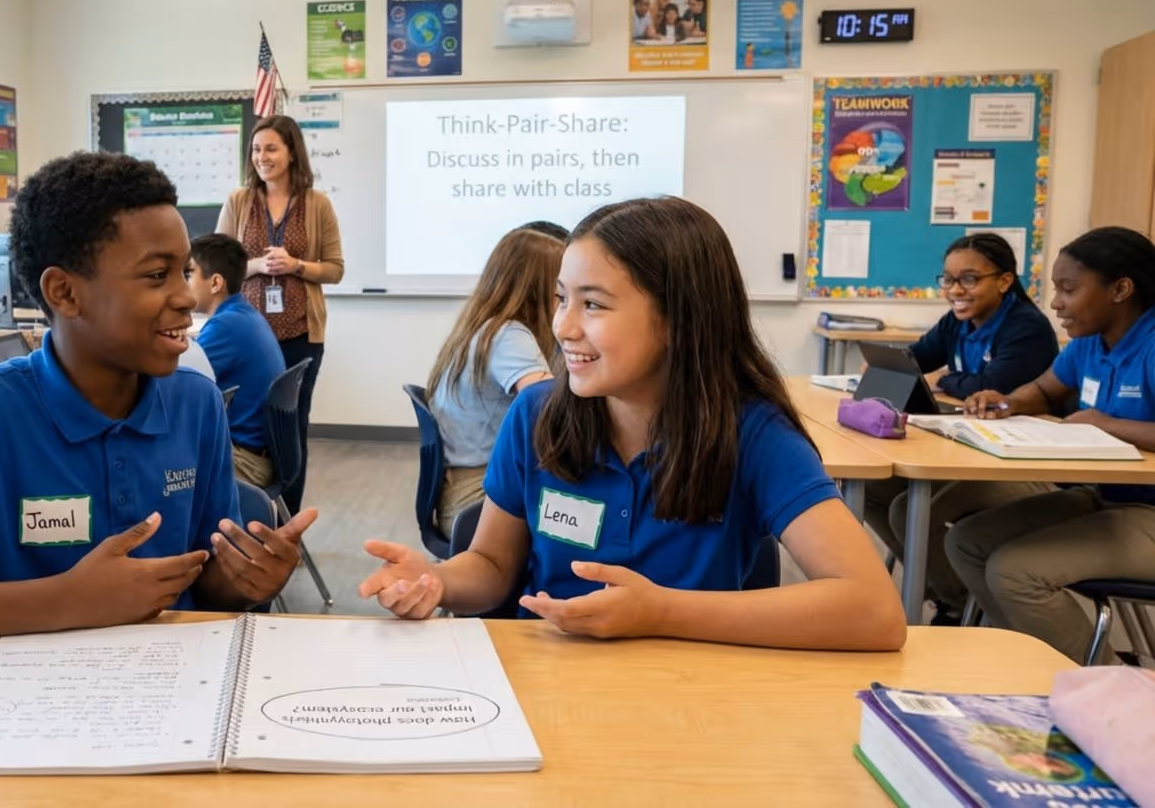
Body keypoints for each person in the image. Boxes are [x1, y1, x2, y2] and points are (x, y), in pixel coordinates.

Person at [0, 152, 318, 650]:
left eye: (184, 271)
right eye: (158, 276)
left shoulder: (195, 403)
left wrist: (243, 581)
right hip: (17, 703)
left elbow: (203, 584)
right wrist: (65, 600)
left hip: (169, 685)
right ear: (65, 294)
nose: (185, 296)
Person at [359, 198, 905, 651]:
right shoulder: (536, 416)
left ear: (678, 319)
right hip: (546, 685)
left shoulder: (753, 434)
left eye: (592, 305)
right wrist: (436, 579)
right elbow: (492, 566)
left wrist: (659, 612)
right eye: (560, 299)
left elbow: (875, 612)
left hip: (691, 697)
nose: (563, 327)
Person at [951, 227, 1155, 663]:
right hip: (1107, 498)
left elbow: (1103, 423)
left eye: (1069, 289)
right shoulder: (1087, 344)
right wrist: (1006, 401)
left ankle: (1115, 690)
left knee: (1015, 572)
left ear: (1120, 289)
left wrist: (1106, 424)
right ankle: (1034, 662)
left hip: (1148, 512)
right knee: (966, 542)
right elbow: (1044, 390)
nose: (1056, 303)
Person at [862, 232, 1059, 622]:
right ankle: (949, 592)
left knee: (910, 510)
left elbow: (993, 388)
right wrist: (935, 374)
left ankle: (958, 606)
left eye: (969, 279)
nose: (955, 289)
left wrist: (946, 378)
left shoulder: (1026, 328)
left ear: (1003, 281)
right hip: (974, 447)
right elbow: (914, 358)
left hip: (1026, 465)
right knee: (873, 488)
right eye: (948, 279)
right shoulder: (957, 321)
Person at [217, 115, 345, 516]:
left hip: (300, 335)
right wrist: (256, 265)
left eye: (271, 148)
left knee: (291, 430)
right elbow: (218, 263)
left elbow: (335, 269)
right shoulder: (239, 200)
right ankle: (253, 514)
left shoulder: (317, 204)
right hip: (248, 335)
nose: (262, 157)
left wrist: (296, 266)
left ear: (292, 153)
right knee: (246, 427)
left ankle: (287, 522)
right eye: (256, 149)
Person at [426, 229, 561, 538]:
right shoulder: (509, 336)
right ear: (538, 287)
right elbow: (551, 407)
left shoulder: (484, 327)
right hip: (475, 501)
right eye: (561, 288)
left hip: (462, 490)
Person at [188, 233, 287, 489]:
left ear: (215, 283)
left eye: (188, 274)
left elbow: (176, 380)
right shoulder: (243, 314)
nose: (180, 284)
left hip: (245, 461)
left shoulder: (226, 326)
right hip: (260, 453)